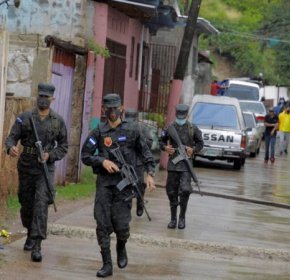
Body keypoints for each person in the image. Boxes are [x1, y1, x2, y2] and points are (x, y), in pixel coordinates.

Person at [81, 93, 156, 278]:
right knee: (102, 223)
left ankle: (121, 246)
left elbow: (146, 154)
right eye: (108, 109)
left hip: (124, 187)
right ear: (103, 110)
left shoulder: (133, 129)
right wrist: (101, 161)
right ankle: (107, 264)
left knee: (122, 227)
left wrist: (150, 174)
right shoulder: (98, 132)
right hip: (105, 185)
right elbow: (85, 155)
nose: (112, 112)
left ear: (121, 108)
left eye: (115, 108)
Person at [5, 83, 68, 262]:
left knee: (41, 204)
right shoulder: (25, 117)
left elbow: (63, 146)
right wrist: (10, 148)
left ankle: (37, 244)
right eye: (40, 96)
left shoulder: (57, 121)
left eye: (46, 97)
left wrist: (50, 155)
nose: (43, 99)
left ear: (52, 99)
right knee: (26, 204)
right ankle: (30, 233)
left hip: (44, 169)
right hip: (26, 165)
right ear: (37, 96)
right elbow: (11, 138)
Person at [160, 104, 203, 230]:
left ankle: (182, 217)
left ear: (187, 115)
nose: (180, 118)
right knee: (171, 192)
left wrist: (193, 149)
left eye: (182, 116)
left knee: (185, 190)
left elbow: (201, 143)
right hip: (173, 165)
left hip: (186, 166)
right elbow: (161, 140)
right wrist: (165, 148)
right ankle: (173, 218)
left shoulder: (192, 128)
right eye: (179, 115)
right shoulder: (169, 128)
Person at [124, 108, 153, 217]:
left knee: (140, 184)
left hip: (138, 161)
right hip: (126, 161)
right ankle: (128, 205)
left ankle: (140, 202)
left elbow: (150, 142)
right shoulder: (122, 126)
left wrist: (139, 142)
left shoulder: (143, 128)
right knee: (127, 184)